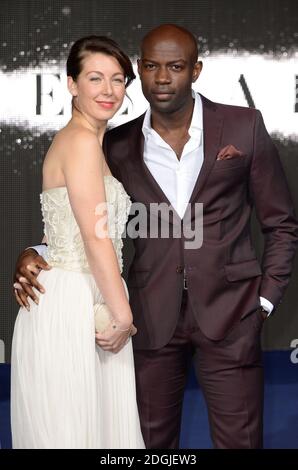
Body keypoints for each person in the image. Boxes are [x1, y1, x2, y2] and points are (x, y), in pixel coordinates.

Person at [14, 24, 298, 449]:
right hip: (146, 318)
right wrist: (35, 251)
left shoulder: (243, 126)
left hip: (231, 312)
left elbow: (281, 223)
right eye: (150, 66)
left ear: (196, 70)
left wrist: (263, 301)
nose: (162, 78)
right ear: (141, 71)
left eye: (176, 66)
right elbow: (82, 221)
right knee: (145, 446)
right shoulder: (115, 142)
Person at [11, 35, 145, 449]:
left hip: (82, 296)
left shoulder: (86, 141)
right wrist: (123, 316)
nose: (108, 90)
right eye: (95, 78)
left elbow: (58, 232)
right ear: (71, 84)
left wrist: (38, 251)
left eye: (118, 79)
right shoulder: (83, 142)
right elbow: (94, 237)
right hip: (77, 305)